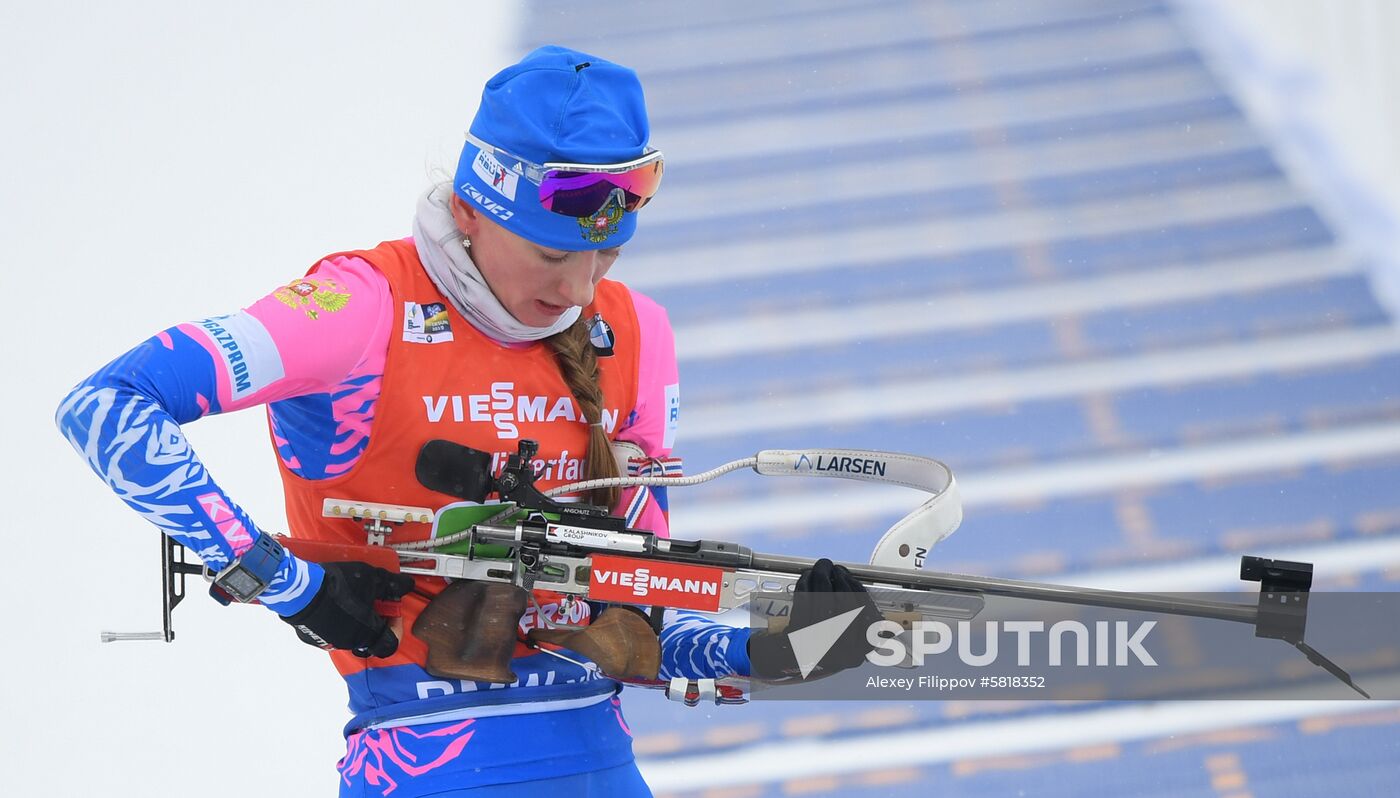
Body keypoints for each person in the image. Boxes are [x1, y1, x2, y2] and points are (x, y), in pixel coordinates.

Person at [56, 45, 874, 797]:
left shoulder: (636, 333)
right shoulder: (358, 307)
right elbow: (105, 405)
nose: (580, 289)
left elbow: (641, 623)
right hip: (426, 766)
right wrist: (281, 581)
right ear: (471, 209)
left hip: (599, 766)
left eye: (606, 255)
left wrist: (780, 651)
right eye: (552, 255)